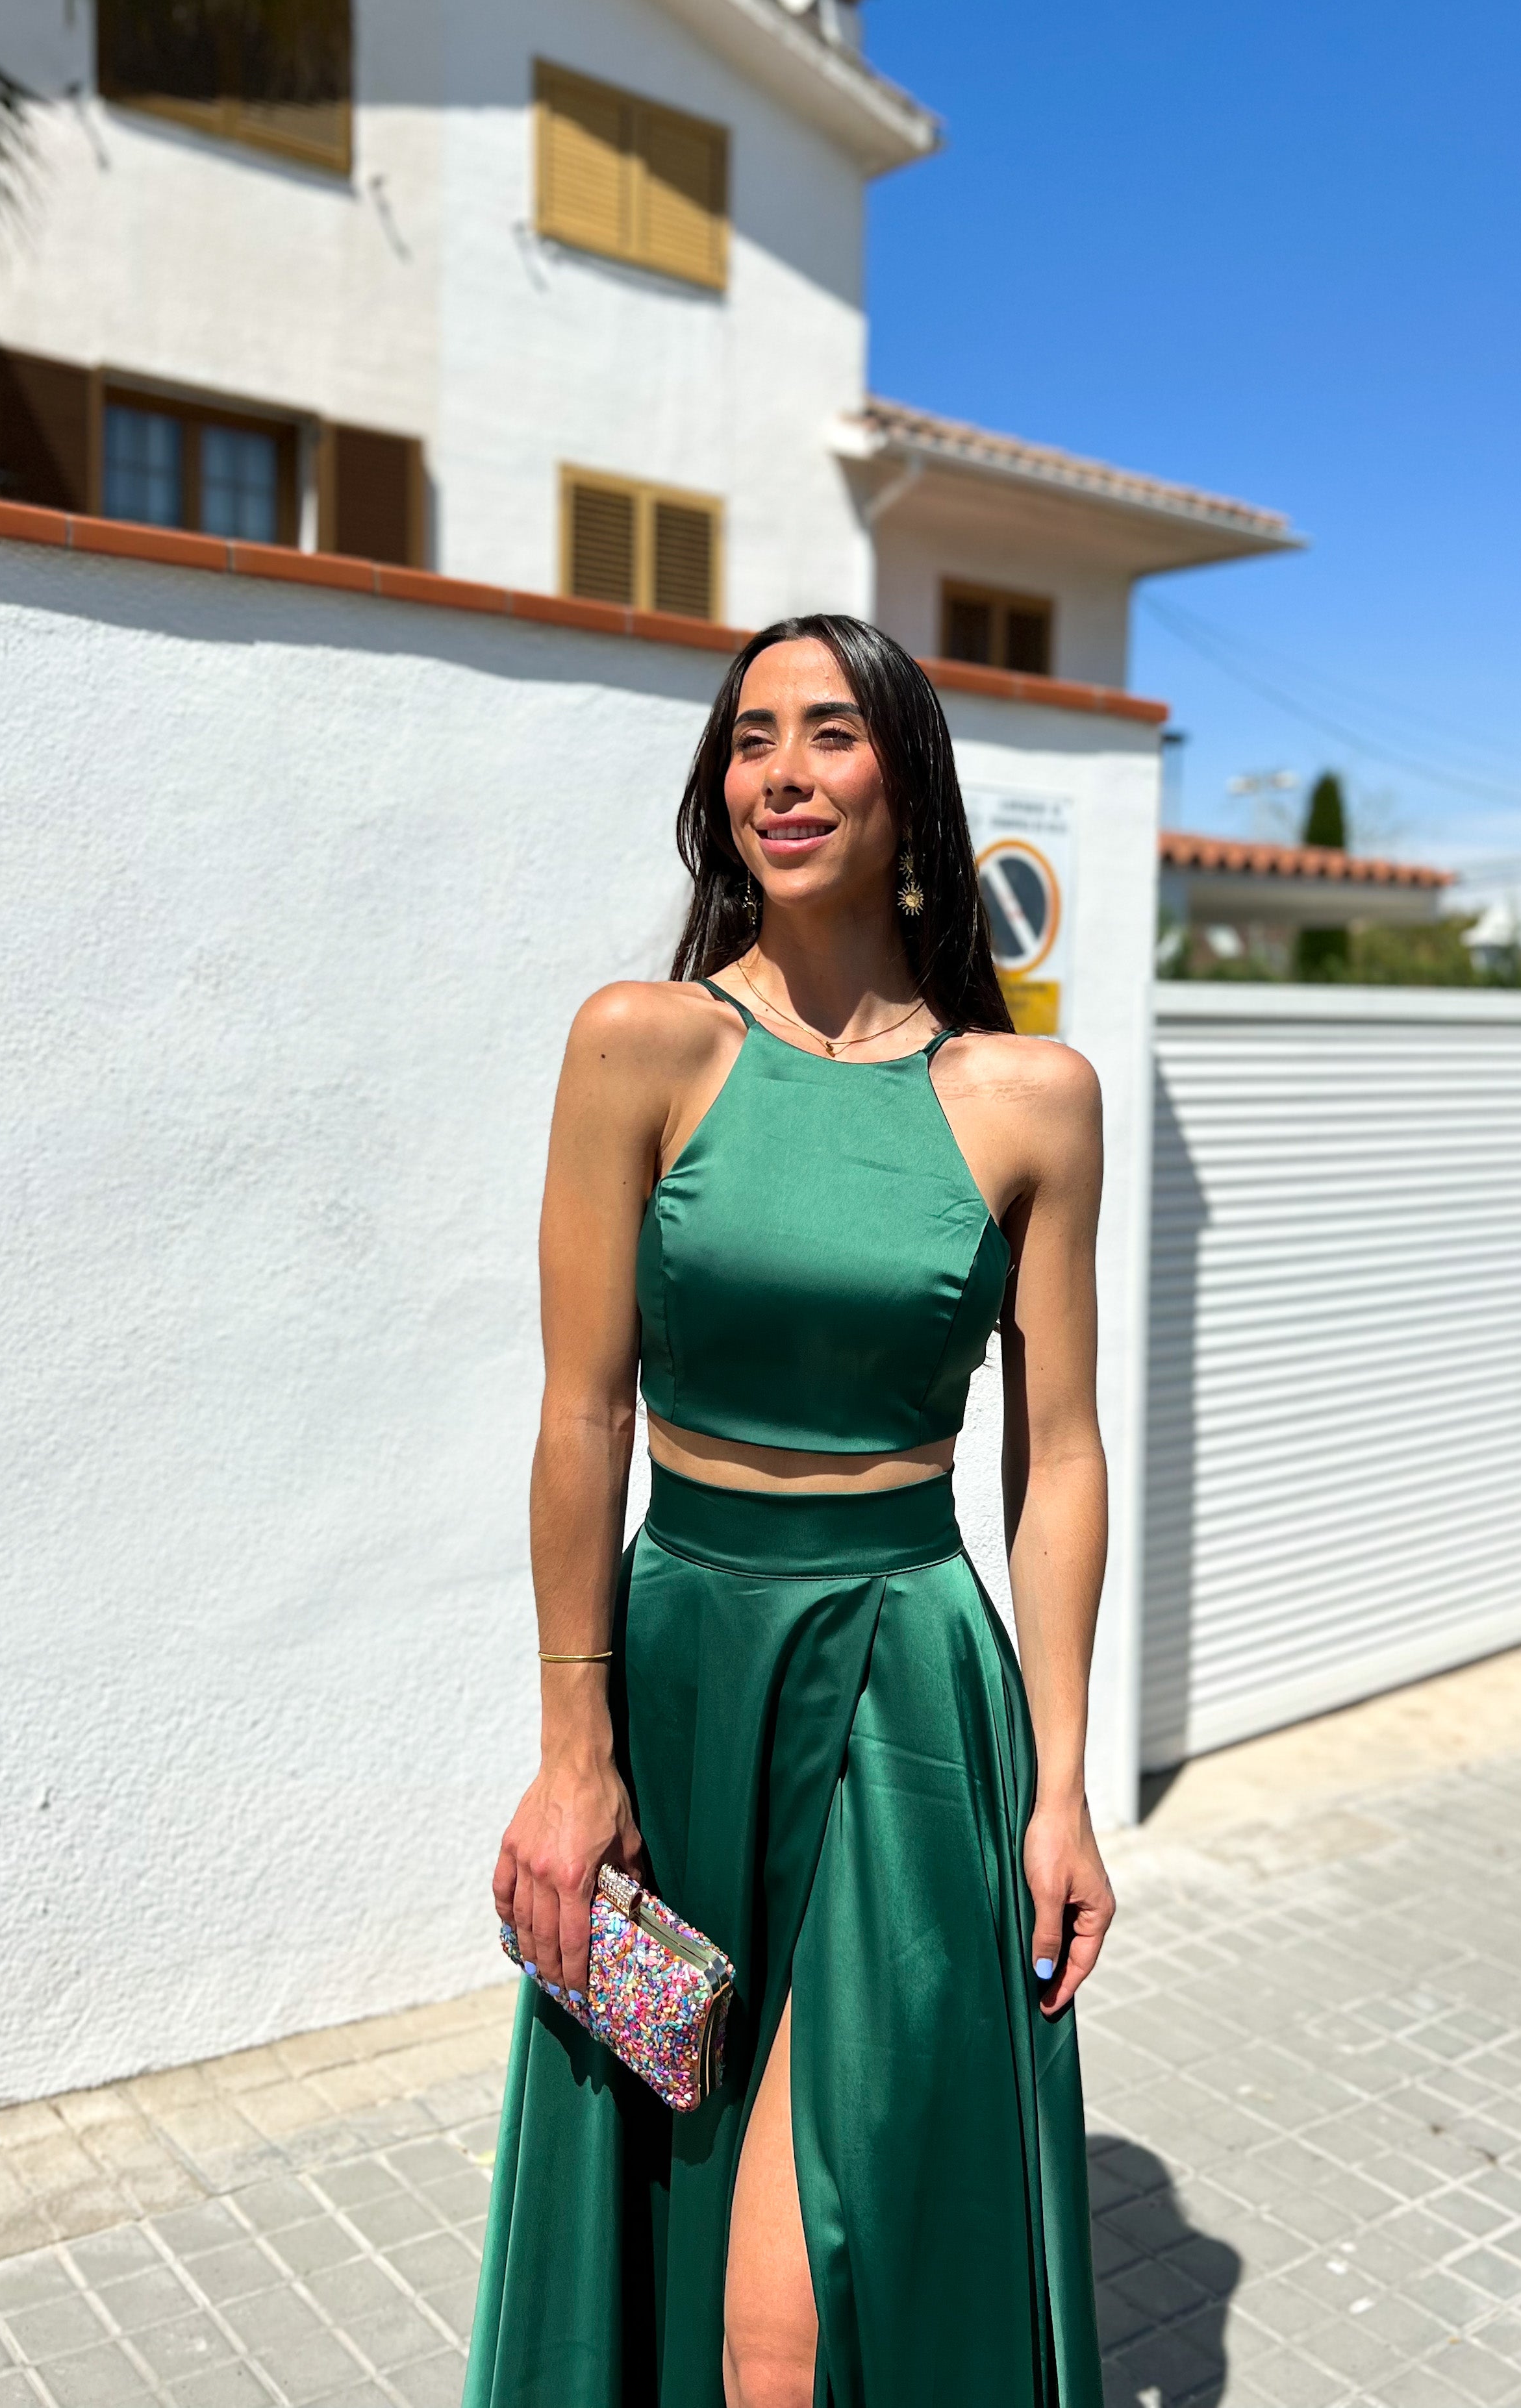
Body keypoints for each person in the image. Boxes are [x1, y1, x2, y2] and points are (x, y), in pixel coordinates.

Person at [466, 614, 1114, 2408]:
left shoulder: (1035, 1100)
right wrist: (572, 1749)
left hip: (912, 1694)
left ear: (910, 783)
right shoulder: (641, 1045)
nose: (784, 772)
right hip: (683, 1668)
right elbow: (582, 1413)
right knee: (671, 2219)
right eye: (752, 738)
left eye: (830, 732)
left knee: (800, 2309)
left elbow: (1060, 1457)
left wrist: (1062, 1789)